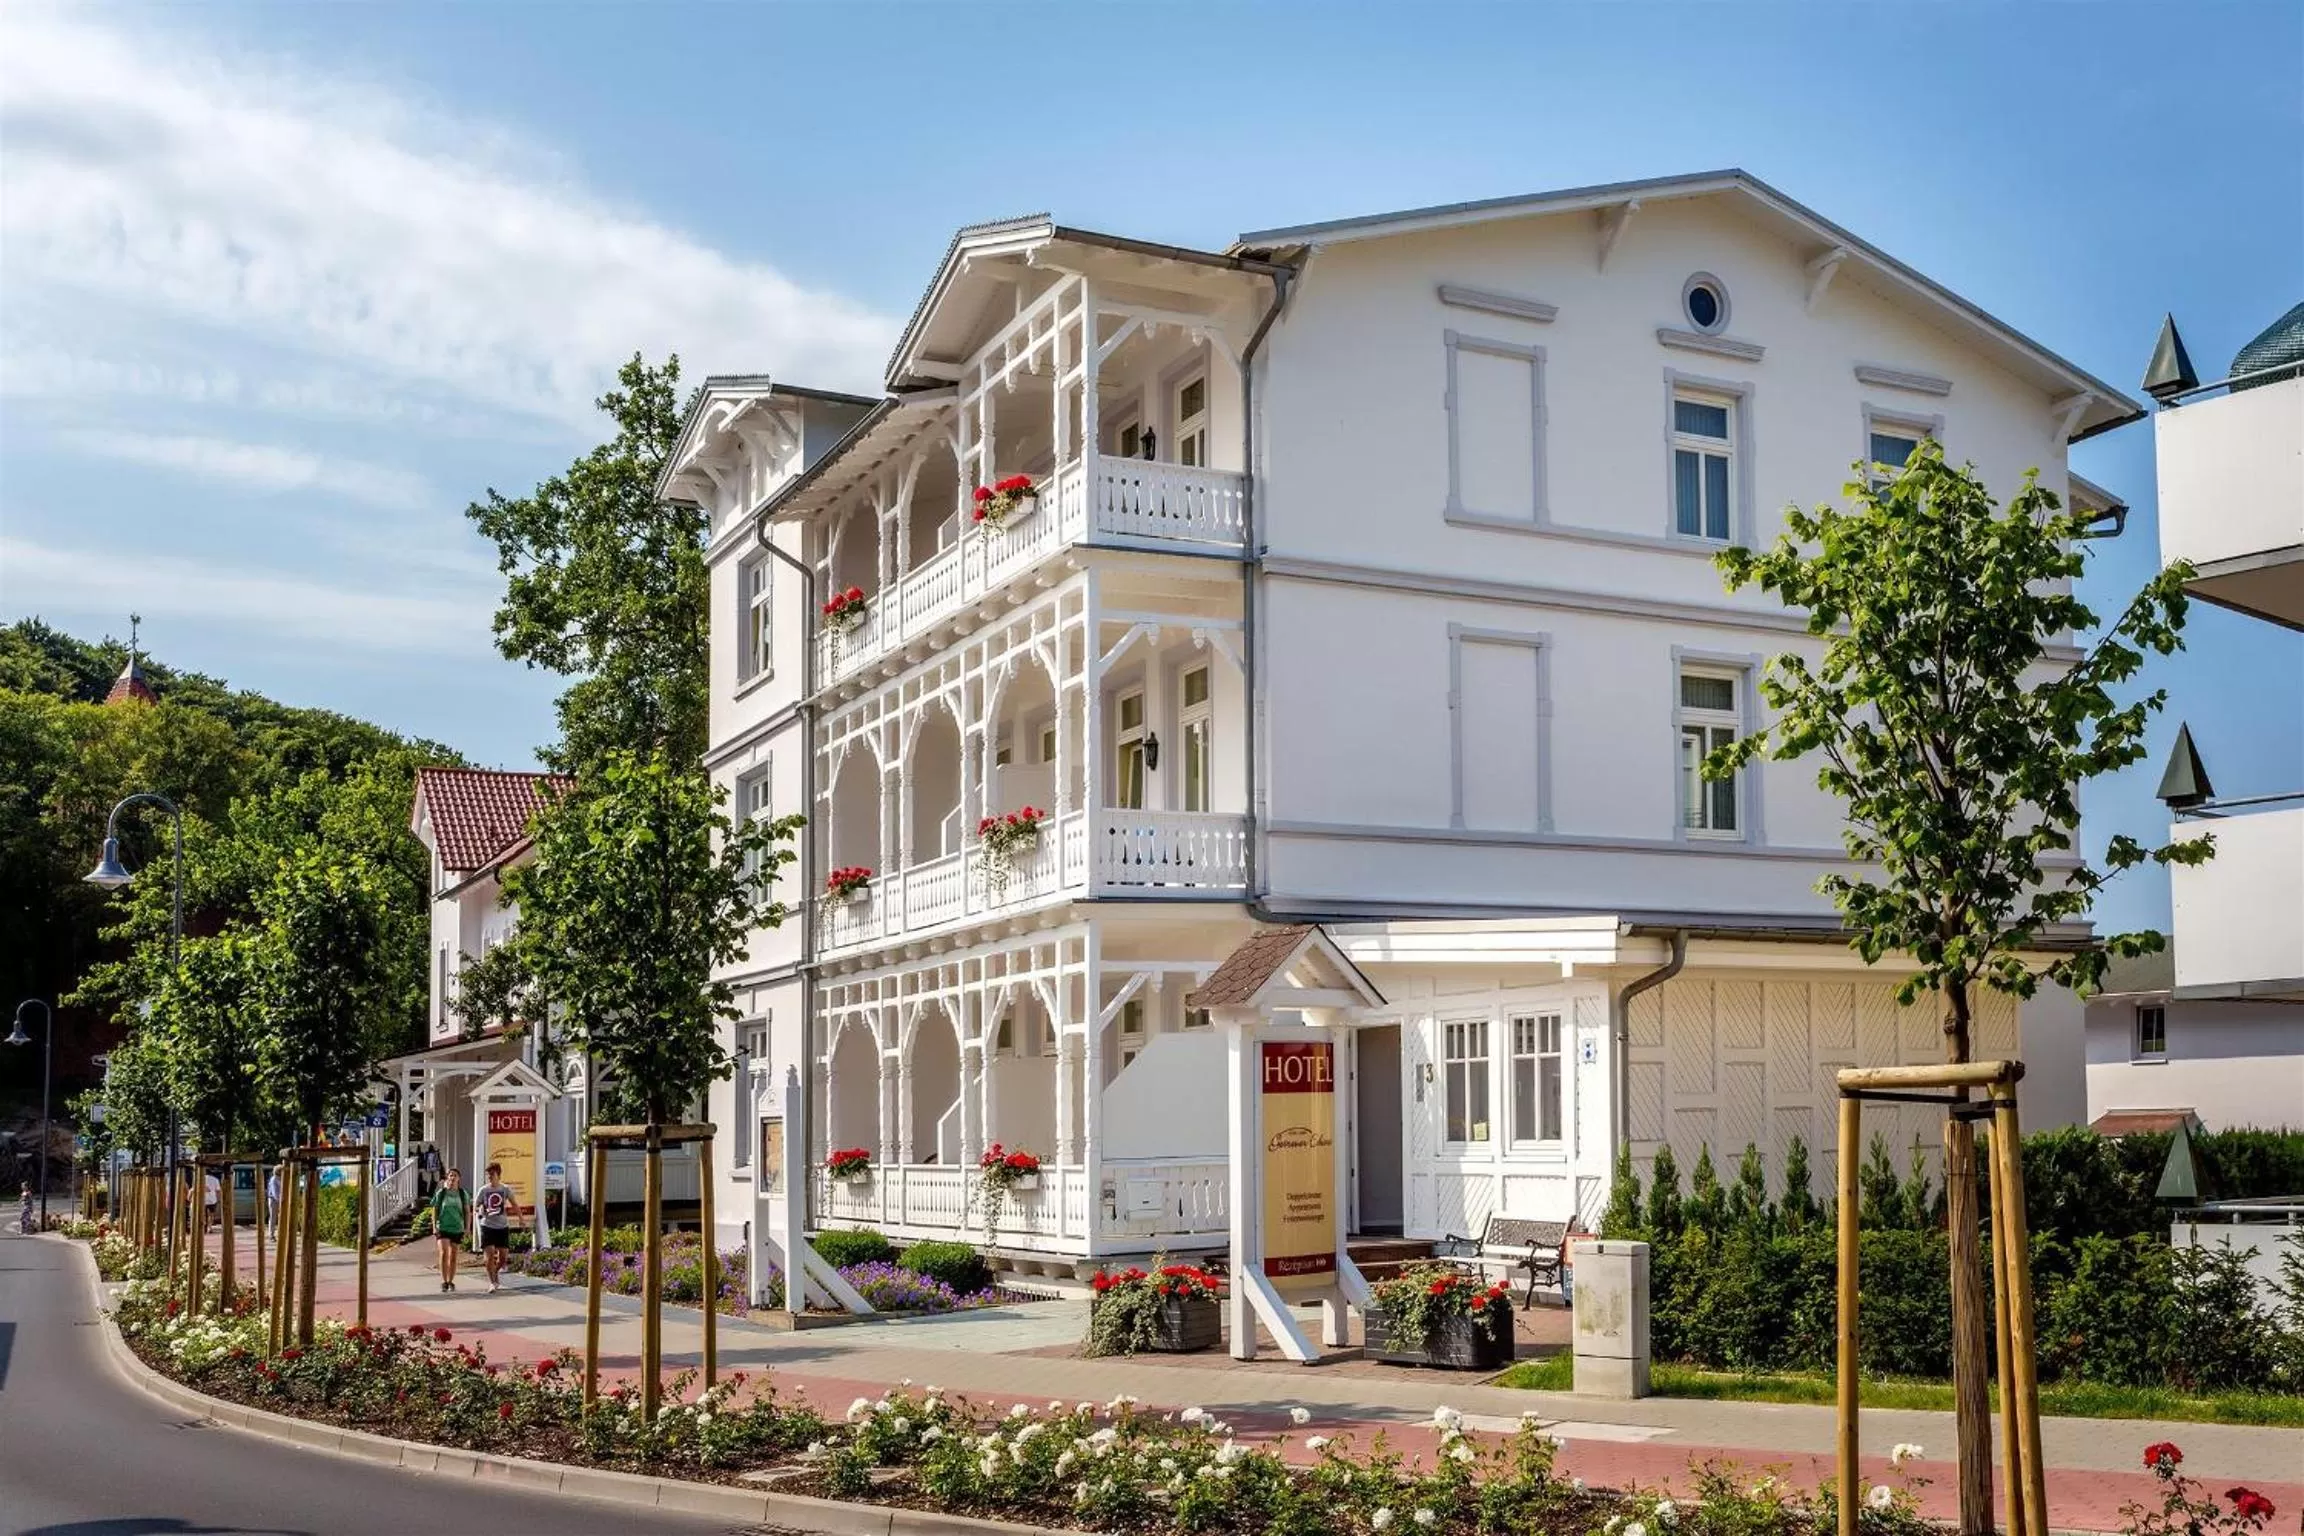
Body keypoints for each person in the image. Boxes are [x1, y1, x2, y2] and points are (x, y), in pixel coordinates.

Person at [474, 1162, 515, 1294]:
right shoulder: (484, 1190)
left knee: (503, 1258)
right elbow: (476, 1204)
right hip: (487, 1225)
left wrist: (520, 1218)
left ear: (498, 1174)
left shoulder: (505, 1189)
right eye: (488, 1175)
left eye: (492, 1174)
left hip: (502, 1226)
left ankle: (495, 1272)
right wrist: (479, 1210)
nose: (490, 1177)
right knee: (489, 1254)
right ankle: (491, 1282)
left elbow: (514, 1204)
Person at [428, 1168, 471, 1292]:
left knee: (453, 1255)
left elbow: (467, 1212)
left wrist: (467, 1228)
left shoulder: (463, 1194)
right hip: (443, 1226)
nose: (452, 1178)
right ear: (447, 1178)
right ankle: (444, 1281)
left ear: (459, 1178)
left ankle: (451, 1281)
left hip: (457, 1227)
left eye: (455, 1175)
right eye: (450, 1175)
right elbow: (434, 1210)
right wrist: (434, 1226)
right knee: (444, 1252)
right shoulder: (441, 1193)